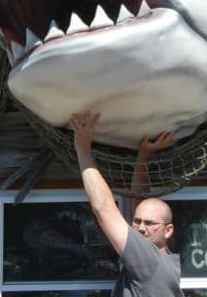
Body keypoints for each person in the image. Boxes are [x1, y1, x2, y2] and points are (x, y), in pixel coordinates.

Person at [70, 110, 184, 297]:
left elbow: (103, 208)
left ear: (168, 230)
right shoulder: (164, 263)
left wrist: (82, 147)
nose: (140, 228)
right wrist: (143, 156)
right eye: (137, 221)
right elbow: (139, 199)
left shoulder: (148, 262)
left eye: (150, 224)